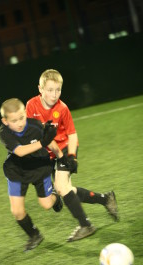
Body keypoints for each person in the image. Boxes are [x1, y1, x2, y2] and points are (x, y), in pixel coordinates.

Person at [26, 69, 119, 242]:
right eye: (50, 90)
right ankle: (105, 199)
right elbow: (37, 137)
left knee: (61, 188)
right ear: (40, 89)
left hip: (64, 150)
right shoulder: (31, 106)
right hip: (48, 154)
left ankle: (86, 225)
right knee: (66, 190)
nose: (54, 95)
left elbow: (72, 134)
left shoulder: (62, 108)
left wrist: (71, 156)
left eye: (58, 90)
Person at [0, 98, 64, 251]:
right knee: (17, 211)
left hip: (39, 166)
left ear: (25, 113)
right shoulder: (4, 133)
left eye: (22, 117)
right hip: (17, 169)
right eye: (14, 120)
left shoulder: (35, 125)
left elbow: (50, 142)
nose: (20, 123)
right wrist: (42, 142)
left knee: (47, 205)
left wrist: (61, 157)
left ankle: (55, 196)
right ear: (5, 121)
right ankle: (35, 235)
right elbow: (20, 151)